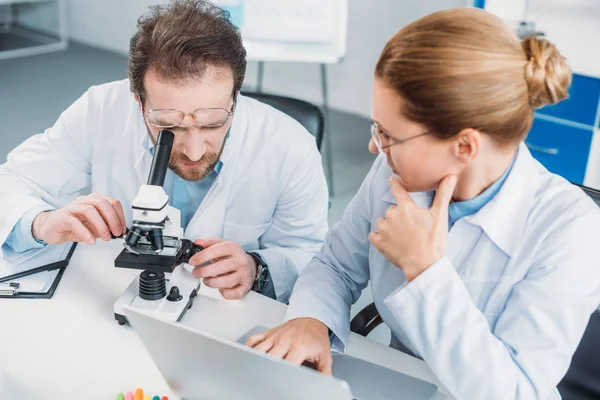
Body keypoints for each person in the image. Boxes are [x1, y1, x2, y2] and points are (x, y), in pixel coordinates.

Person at [247, 8, 600, 399]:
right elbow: (335, 265)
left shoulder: (571, 231)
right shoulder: (393, 169)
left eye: (389, 135)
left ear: (464, 146)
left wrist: (425, 271)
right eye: (376, 127)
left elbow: (516, 391)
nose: (373, 146)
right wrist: (311, 319)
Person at [0, 0, 328, 303]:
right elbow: (11, 182)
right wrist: (40, 224)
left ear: (235, 95)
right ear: (138, 99)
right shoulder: (101, 109)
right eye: (168, 123)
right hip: (114, 298)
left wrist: (258, 269)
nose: (195, 151)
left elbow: (311, 254)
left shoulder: (289, 147)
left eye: (213, 122)